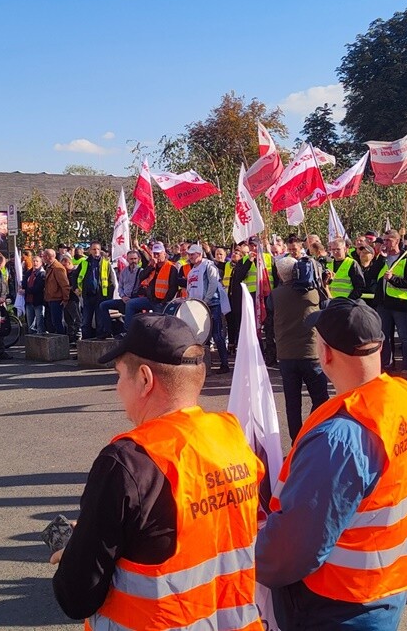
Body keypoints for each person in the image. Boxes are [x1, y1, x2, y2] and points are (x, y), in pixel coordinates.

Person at [51, 315, 263, 628]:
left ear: (146, 380)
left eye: (120, 375)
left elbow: (77, 595)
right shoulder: (232, 436)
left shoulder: (128, 461)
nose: (117, 387)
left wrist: (72, 550)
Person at [256, 298, 407, 628]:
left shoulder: (339, 436)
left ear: (326, 353)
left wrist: (251, 560)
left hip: (336, 604)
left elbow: (295, 547)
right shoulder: (400, 395)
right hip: (384, 587)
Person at [270, 255, 329, 442]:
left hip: (286, 355)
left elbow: (270, 307)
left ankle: (296, 439)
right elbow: (328, 305)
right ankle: (312, 432)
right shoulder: (313, 292)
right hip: (310, 353)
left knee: (292, 402)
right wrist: (323, 284)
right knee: (320, 398)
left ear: (279, 274)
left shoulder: (274, 295)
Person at [181, 243, 229, 374]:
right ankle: (204, 364)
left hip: (211, 304)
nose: (190, 257)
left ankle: (225, 364)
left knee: (217, 335)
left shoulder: (208, 266)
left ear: (199, 254)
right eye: (189, 255)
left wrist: (206, 300)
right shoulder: (192, 271)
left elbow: (213, 283)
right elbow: (190, 288)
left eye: (193, 254)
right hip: (198, 306)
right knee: (202, 335)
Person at [376, 232, 407, 378]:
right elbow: (372, 276)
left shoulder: (405, 260)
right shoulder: (382, 259)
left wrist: (393, 279)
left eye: (389, 240)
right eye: (384, 240)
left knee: (405, 336)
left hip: (400, 304)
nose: (385, 243)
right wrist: (380, 258)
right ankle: (386, 364)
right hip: (383, 304)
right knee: (384, 336)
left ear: (397, 241)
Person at [122, 242, 180, 330]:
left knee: (159, 326)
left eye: (158, 254)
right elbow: (141, 277)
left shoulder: (171, 268)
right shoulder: (152, 265)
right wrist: (151, 266)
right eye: (154, 254)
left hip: (162, 302)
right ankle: (128, 331)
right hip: (150, 299)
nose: (156, 256)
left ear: (164, 254)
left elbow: (173, 288)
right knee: (130, 304)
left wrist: (164, 302)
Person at [97, 250, 141, 340]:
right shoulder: (124, 272)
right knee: (103, 305)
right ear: (127, 259)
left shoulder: (141, 272)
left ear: (138, 259)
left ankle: (126, 332)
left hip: (135, 300)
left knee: (130, 305)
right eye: (131, 259)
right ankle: (108, 331)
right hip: (124, 299)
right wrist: (123, 296)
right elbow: (120, 287)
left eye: (135, 259)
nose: (133, 261)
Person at [78, 241, 116, 340]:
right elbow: (75, 276)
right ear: (90, 250)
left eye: (98, 249)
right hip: (88, 295)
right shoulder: (84, 262)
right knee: (86, 320)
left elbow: (111, 281)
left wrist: (108, 297)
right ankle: (85, 342)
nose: (96, 251)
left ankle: (99, 342)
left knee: (100, 321)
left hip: (100, 296)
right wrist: (76, 288)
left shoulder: (105, 263)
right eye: (94, 249)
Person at [42, 248, 70, 334]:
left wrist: (65, 299)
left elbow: (64, 284)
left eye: (43, 256)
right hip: (51, 298)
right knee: (54, 322)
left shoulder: (57, 268)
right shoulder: (49, 267)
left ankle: (62, 341)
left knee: (58, 322)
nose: (42, 258)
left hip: (57, 299)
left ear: (48, 257)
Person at [21, 255, 47, 335]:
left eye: (37, 261)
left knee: (39, 323)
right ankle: (31, 341)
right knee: (30, 324)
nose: (35, 263)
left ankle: (40, 340)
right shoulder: (29, 272)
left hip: (38, 301)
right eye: (34, 261)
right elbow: (24, 283)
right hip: (29, 301)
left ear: (41, 263)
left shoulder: (42, 274)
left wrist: (25, 291)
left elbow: (38, 288)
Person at [61, 252, 83, 345]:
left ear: (69, 263)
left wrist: (70, 288)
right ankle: (71, 336)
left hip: (74, 299)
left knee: (77, 318)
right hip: (66, 299)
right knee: (68, 320)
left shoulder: (75, 272)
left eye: (64, 265)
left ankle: (78, 337)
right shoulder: (64, 273)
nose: (63, 267)